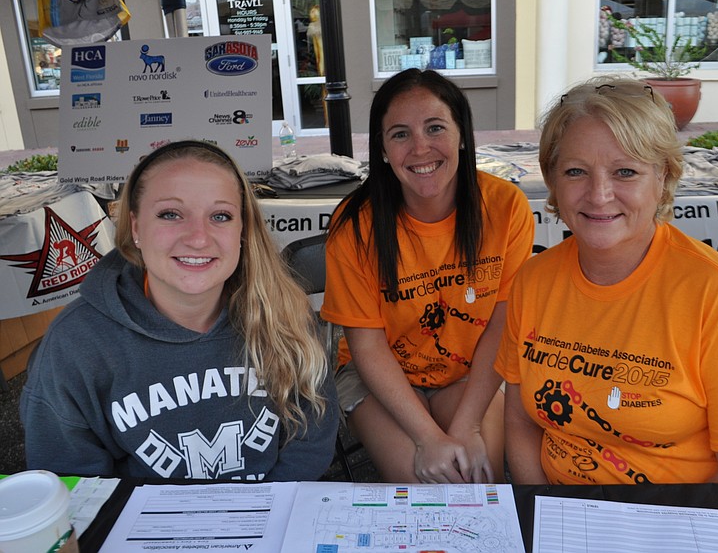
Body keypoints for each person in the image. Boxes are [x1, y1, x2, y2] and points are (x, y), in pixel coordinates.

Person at [495, 77, 718, 485]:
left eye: (625, 172)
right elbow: (522, 422)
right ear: (553, 180)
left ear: (663, 177)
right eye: (576, 171)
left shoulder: (716, 299)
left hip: (685, 525)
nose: (598, 195)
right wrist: (540, 511)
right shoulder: (533, 280)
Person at [21, 140, 339, 480]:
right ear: (136, 228)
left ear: (242, 230)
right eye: (170, 214)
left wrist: (265, 513)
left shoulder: (283, 311)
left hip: (270, 517)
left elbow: (312, 434)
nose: (199, 238)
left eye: (220, 216)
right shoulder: (76, 343)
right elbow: (71, 478)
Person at [321, 68, 535, 483]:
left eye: (435, 128)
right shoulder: (354, 225)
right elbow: (367, 346)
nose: (420, 148)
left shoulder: (505, 206)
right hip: (379, 379)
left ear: (462, 135)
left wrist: (467, 427)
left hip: (468, 373)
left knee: (476, 478)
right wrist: (426, 438)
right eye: (400, 134)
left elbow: (501, 325)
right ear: (382, 149)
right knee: (424, 489)